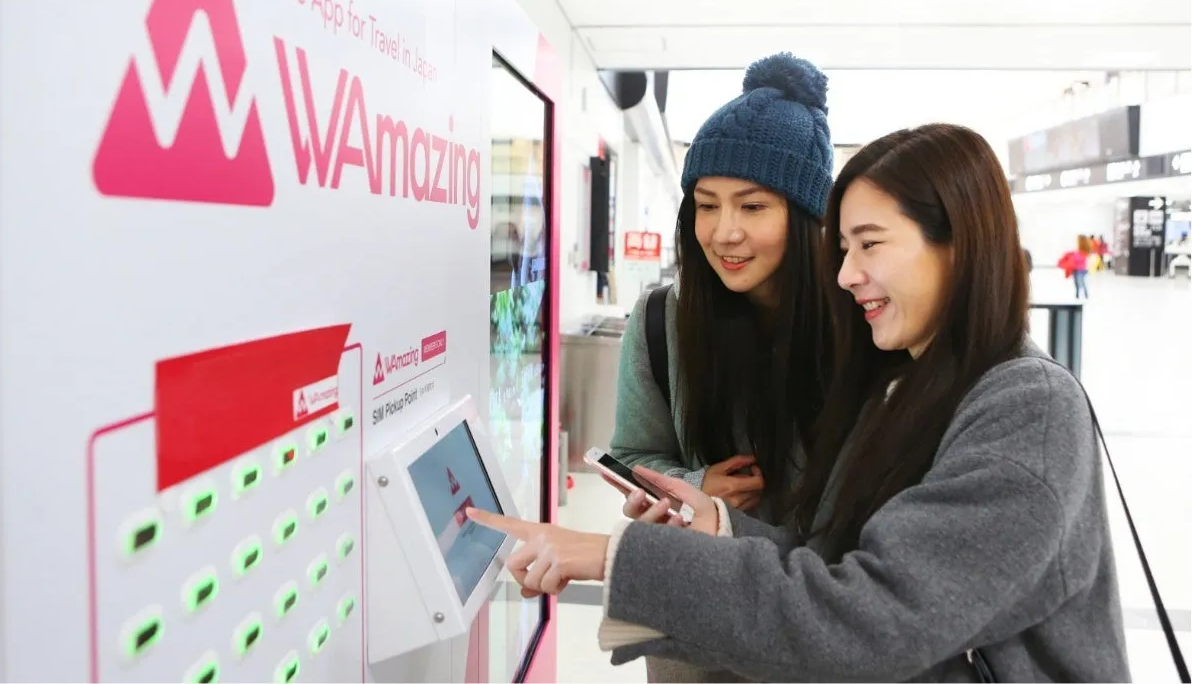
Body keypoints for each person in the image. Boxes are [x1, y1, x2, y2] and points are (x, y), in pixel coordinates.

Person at [471, 123, 1129, 682]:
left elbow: (871, 618)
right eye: (843, 248)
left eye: (869, 244)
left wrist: (610, 555)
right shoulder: (914, 380)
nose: (846, 273)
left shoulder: (1026, 407)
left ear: (958, 244)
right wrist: (718, 524)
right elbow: (838, 562)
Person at [606, 52, 835, 681]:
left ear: (806, 215)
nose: (723, 232)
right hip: (693, 629)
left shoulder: (859, 326)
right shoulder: (662, 319)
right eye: (707, 205)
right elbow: (632, 456)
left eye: (752, 207)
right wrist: (695, 484)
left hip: (817, 620)